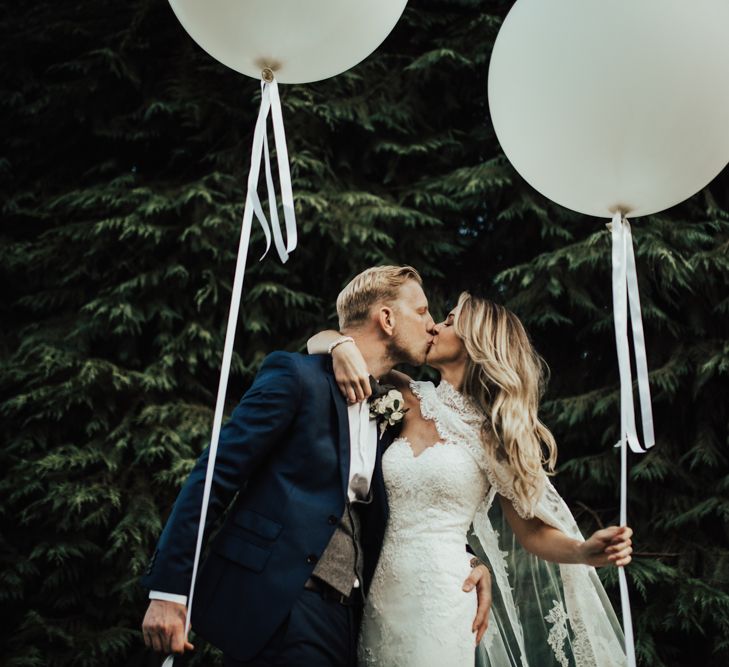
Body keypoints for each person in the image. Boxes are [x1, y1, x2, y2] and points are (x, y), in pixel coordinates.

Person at [140, 266, 492, 666]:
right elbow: (214, 476)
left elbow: (414, 499)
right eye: (423, 311)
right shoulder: (297, 378)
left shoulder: (393, 409)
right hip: (281, 603)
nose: (431, 326)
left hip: (350, 620)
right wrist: (169, 590)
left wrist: (468, 560)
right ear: (387, 319)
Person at [308, 290, 632, 666]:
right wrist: (341, 347)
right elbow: (317, 341)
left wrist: (582, 551)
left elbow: (532, 532)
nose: (433, 326)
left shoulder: (495, 437)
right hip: (377, 589)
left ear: (475, 341)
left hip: (443, 597)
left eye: (448, 320)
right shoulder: (405, 395)